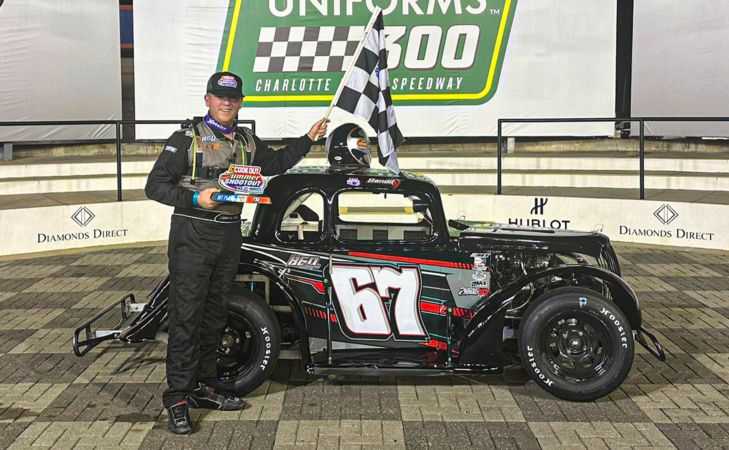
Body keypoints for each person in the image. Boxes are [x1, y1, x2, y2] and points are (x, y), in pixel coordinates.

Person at [145, 71, 327, 435]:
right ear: (208, 99)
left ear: (240, 102)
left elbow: (274, 164)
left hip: (228, 236)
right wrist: (195, 197)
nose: (226, 103)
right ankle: (178, 397)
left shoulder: (246, 140)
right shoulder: (185, 139)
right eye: (219, 97)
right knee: (187, 319)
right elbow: (155, 186)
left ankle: (206, 387)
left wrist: (307, 139)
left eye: (233, 98)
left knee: (215, 316)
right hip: (191, 234)